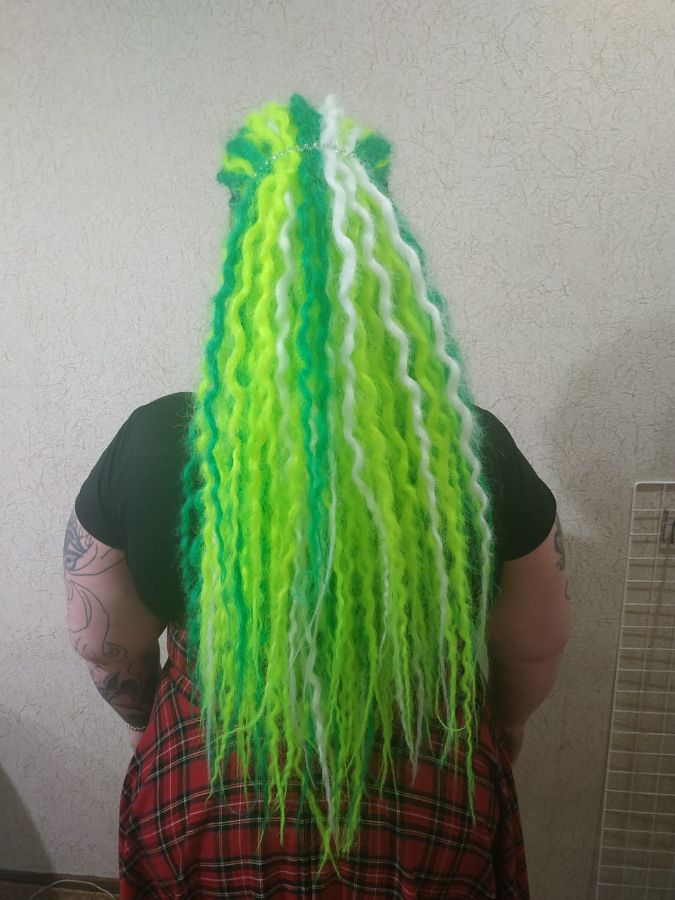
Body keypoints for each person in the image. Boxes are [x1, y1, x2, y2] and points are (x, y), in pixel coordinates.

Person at [64, 94, 571, 898]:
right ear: (387, 257)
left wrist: (145, 724)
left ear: (244, 260)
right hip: (428, 786)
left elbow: (102, 641)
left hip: (210, 786)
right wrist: (501, 729)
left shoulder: (156, 439)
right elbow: (535, 644)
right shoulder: (474, 446)